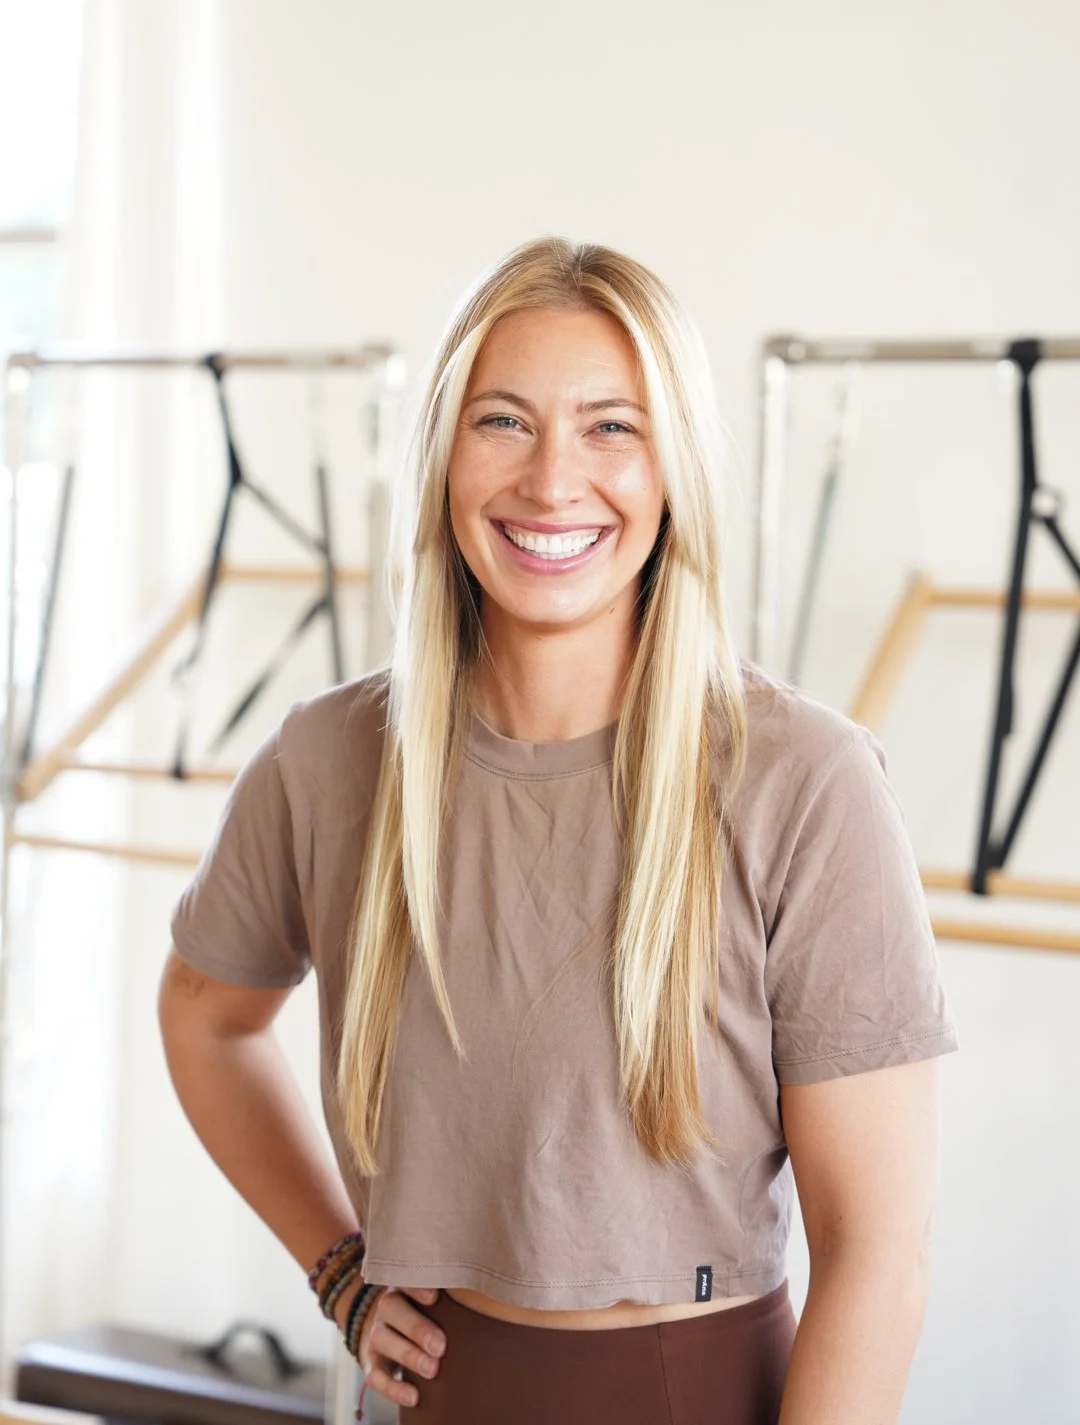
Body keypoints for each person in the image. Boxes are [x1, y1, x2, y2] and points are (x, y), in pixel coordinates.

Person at [159, 236, 960, 1425]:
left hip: (694, 1389)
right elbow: (206, 1015)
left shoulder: (806, 780)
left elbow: (875, 1252)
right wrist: (336, 1267)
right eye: (502, 421)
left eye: (610, 427)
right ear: (442, 456)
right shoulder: (327, 760)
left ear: (673, 466)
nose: (550, 482)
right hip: (423, 1396)